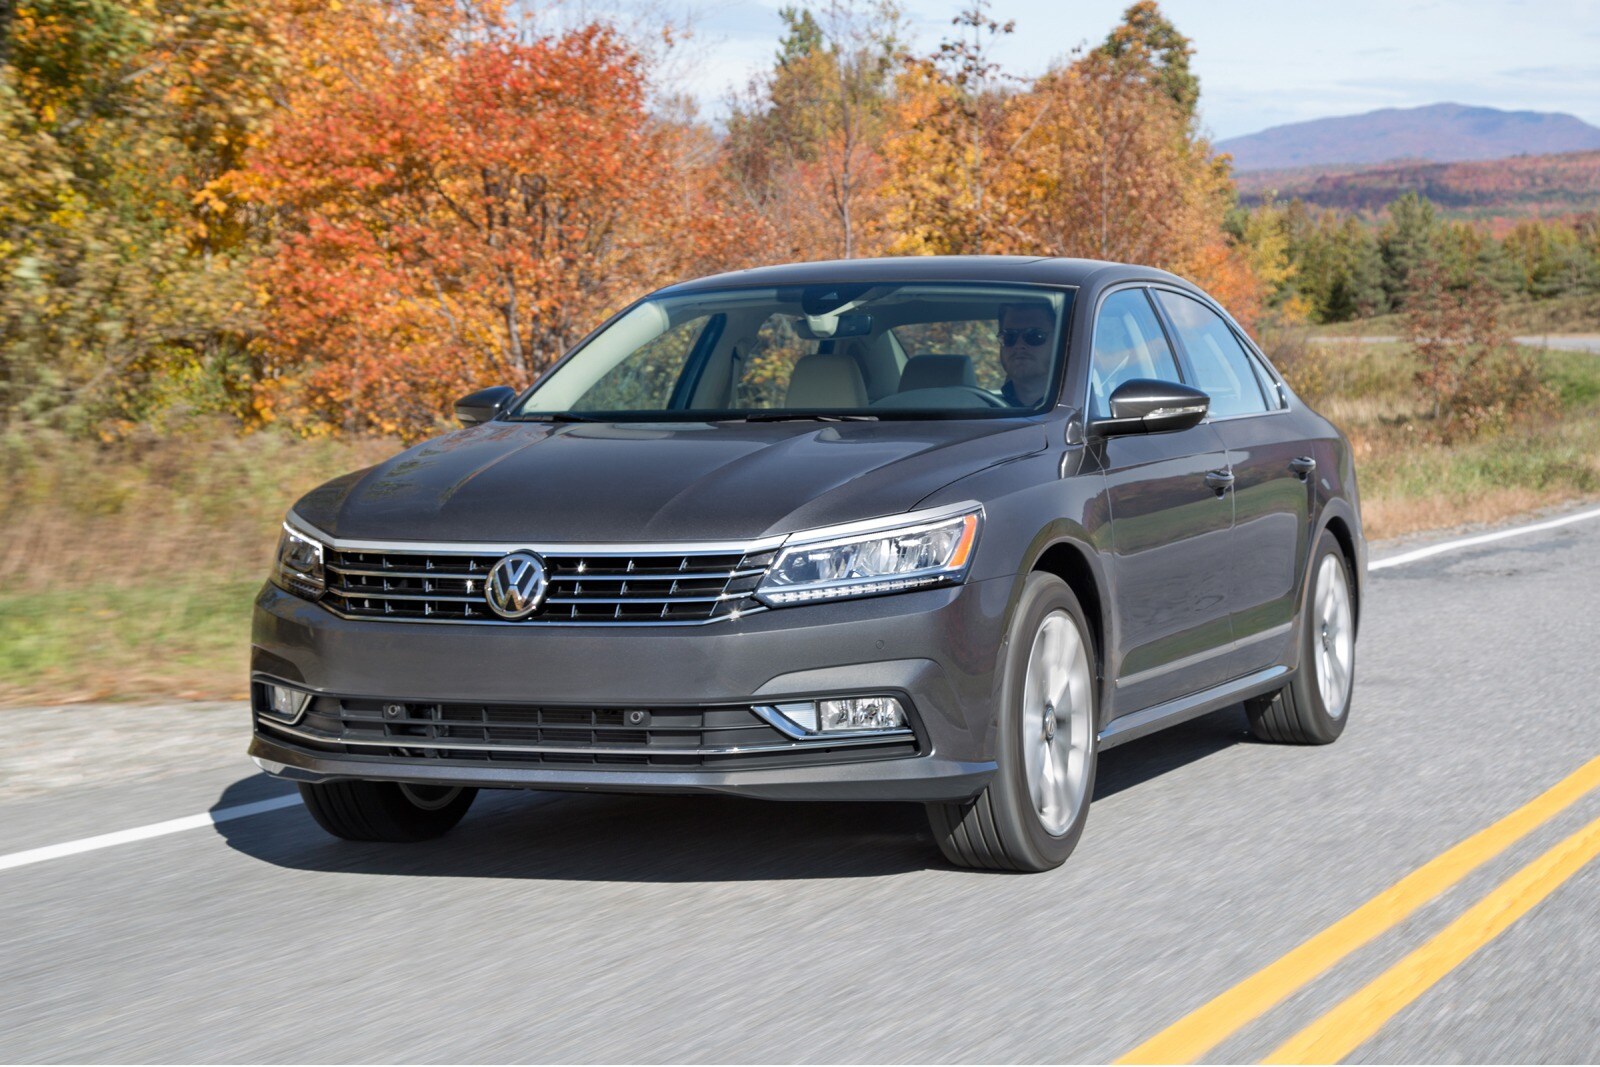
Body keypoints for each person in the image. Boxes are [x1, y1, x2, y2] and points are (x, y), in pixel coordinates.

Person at [997, 302, 1055, 406]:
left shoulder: (1083, 406)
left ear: (1059, 341)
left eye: (1035, 335)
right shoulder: (981, 410)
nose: (1019, 345)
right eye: (1009, 336)